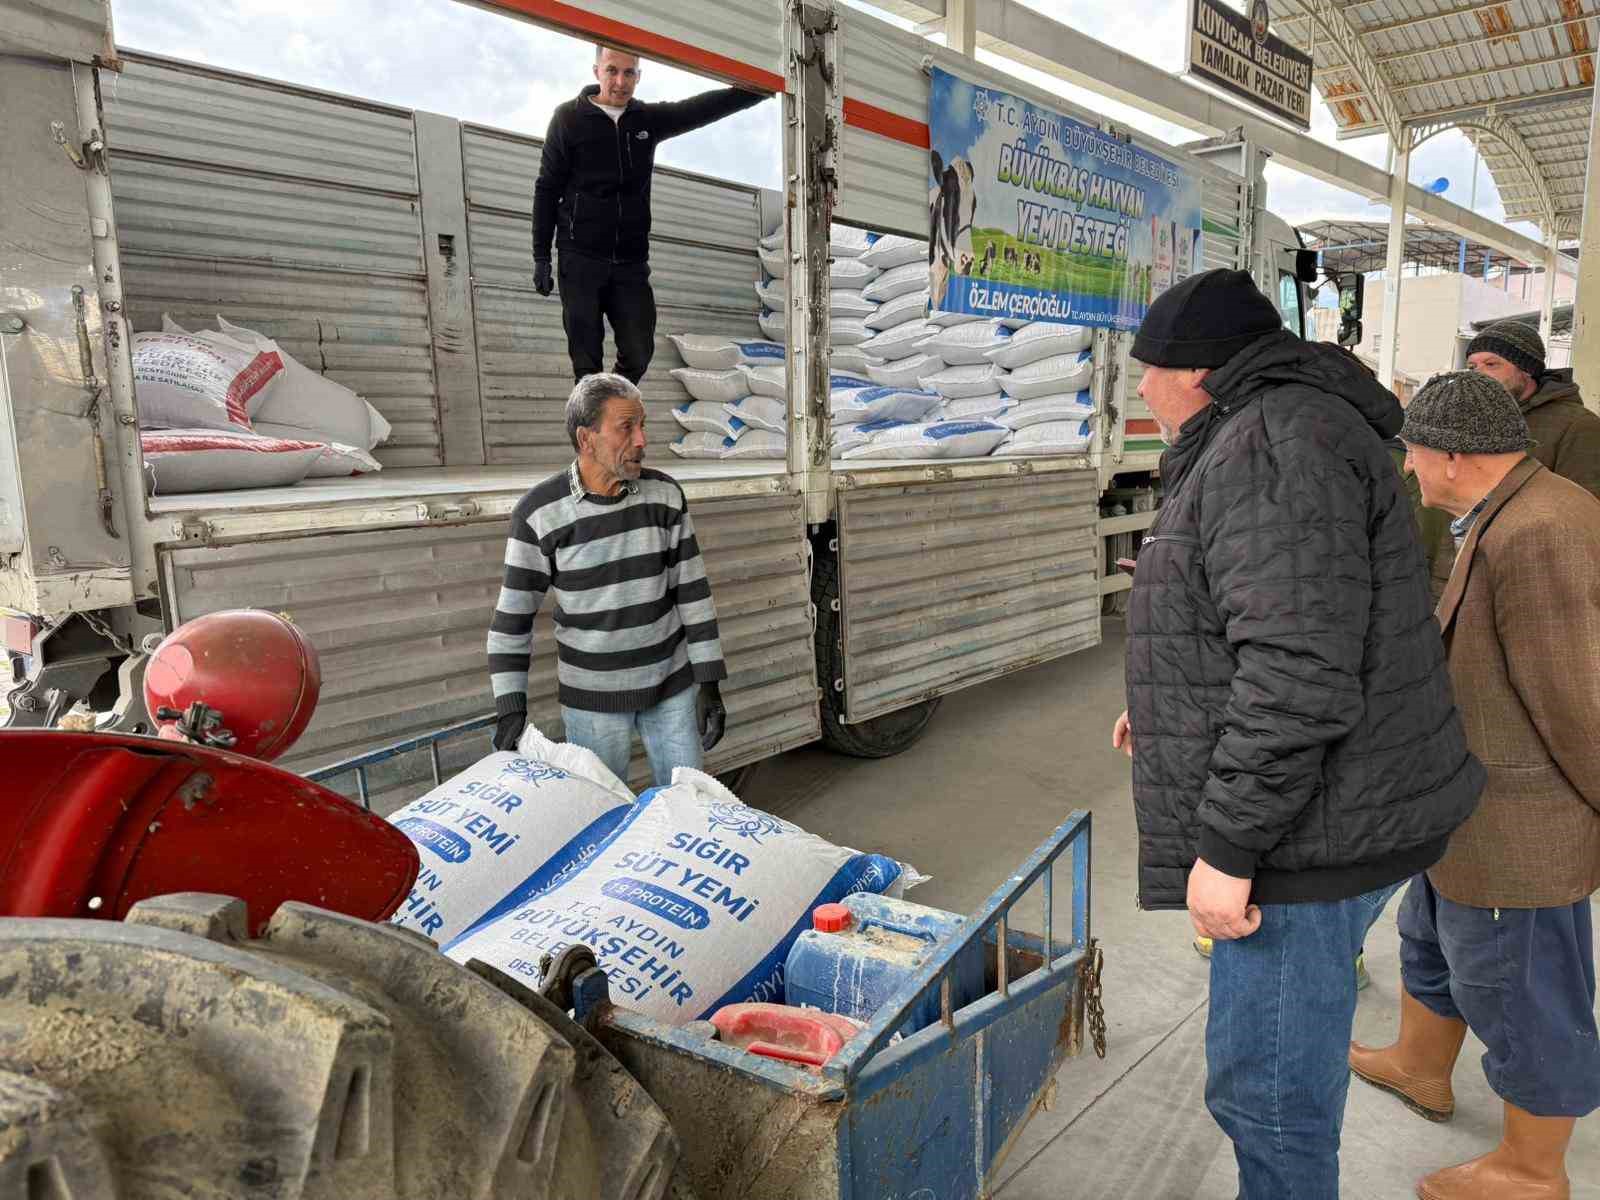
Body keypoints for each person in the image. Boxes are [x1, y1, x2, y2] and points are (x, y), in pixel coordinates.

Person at [1110, 269, 1483, 1199]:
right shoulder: (1277, 427)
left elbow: (1298, 671)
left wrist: (1229, 847)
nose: (1139, 391)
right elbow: (1282, 620)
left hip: (1306, 838)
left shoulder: (1270, 444)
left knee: (1269, 1102)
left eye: (1142, 371)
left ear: (1190, 372)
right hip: (1334, 806)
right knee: (1272, 1091)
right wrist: (1166, 711)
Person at [1350, 370, 1600, 1200]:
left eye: (1415, 453)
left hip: (1520, 828)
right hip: (1466, 804)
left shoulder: (1539, 531)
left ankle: (1532, 1172)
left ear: (1455, 454)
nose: (1410, 468)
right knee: (1432, 941)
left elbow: (1578, 698)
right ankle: (1422, 1065)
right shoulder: (1501, 512)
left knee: (1524, 995)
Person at [487, 373, 728, 784]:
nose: (641, 440)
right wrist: (511, 705)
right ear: (587, 439)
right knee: (602, 812)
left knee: (690, 803)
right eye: (626, 427)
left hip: (671, 687)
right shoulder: (540, 513)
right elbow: (513, 619)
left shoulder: (665, 496)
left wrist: (709, 682)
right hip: (592, 702)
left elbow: (693, 593)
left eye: (642, 425)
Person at [532, 45, 768, 384]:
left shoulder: (645, 121)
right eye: (612, 70)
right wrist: (541, 255)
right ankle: (595, 429)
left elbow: (700, 109)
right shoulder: (568, 119)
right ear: (597, 70)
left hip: (630, 262)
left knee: (639, 350)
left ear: (638, 77)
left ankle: (614, 402)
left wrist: (756, 92)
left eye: (629, 73)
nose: (620, 81)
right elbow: (547, 187)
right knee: (586, 363)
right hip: (580, 257)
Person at [1406, 319, 1600, 600]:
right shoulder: (1465, 420)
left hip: (1522, 581)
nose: (1480, 374)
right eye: (1473, 366)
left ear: (1526, 370)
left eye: (1492, 364)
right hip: (1448, 570)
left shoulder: (1578, 427)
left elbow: (1582, 515)